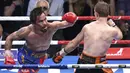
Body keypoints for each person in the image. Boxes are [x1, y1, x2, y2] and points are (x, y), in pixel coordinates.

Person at [53, 1, 123, 73]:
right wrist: (111, 22)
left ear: (96, 14)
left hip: (83, 62)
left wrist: (60, 54)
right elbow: (120, 36)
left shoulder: (87, 27)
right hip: (99, 64)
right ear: (108, 14)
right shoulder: (112, 31)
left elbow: (73, 43)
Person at [4, 7, 78, 73]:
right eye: (41, 21)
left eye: (45, 19)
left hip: (41, 57)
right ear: (34, 23)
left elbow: (69, 24)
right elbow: (10, 37)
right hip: (26, 57)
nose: (45, 23)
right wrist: (7, 52)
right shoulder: (27, 31)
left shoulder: (52, 27)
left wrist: (72, 18)